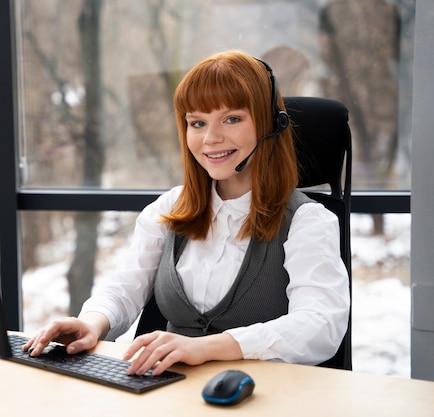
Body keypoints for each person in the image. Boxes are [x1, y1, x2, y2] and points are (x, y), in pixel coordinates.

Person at [23, 50, 350, 376]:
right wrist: (90, 324)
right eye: (197, 123)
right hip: (169, 394)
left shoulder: (308, 221)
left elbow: (321, 324)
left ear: (269, 124)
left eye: (231, 118)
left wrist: (208, 347)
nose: (210, 138)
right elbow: (124, 288)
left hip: (264, 398)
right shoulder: (169, 209)